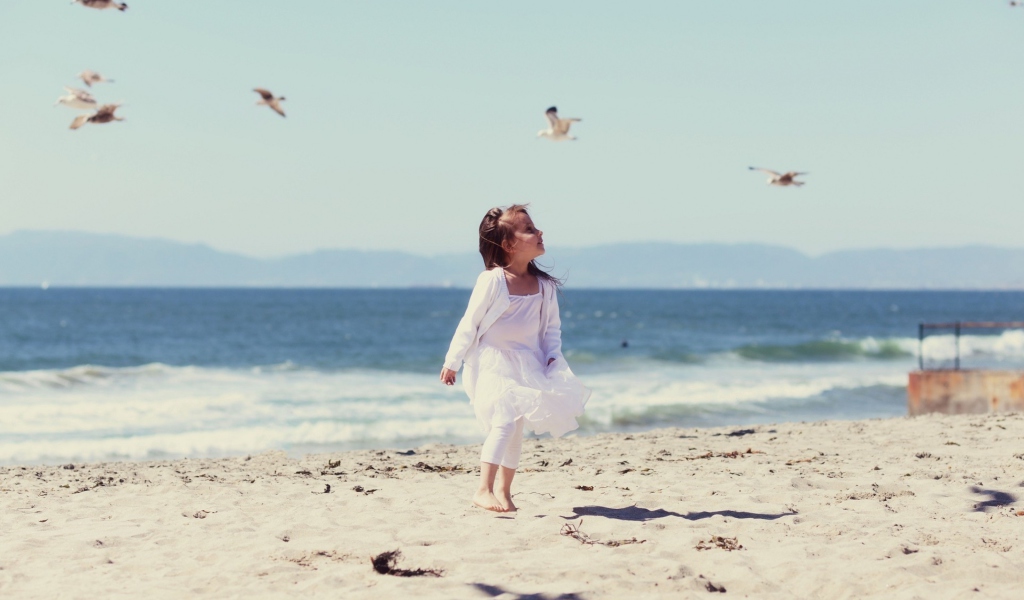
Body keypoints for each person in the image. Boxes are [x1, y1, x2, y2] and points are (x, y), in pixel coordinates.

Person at [440, 205, 590, 513]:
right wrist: (452, 360)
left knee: (517, 430)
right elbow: (469, 322)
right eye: (530, 229)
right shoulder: (493, 281)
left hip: (527, 363)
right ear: (509, 245)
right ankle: (483, 489)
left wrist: (551, 358)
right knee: (504, 421)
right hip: (493, 362)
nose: (539, 232)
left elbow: (550, 329)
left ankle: (505, 492)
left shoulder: (544, 286)